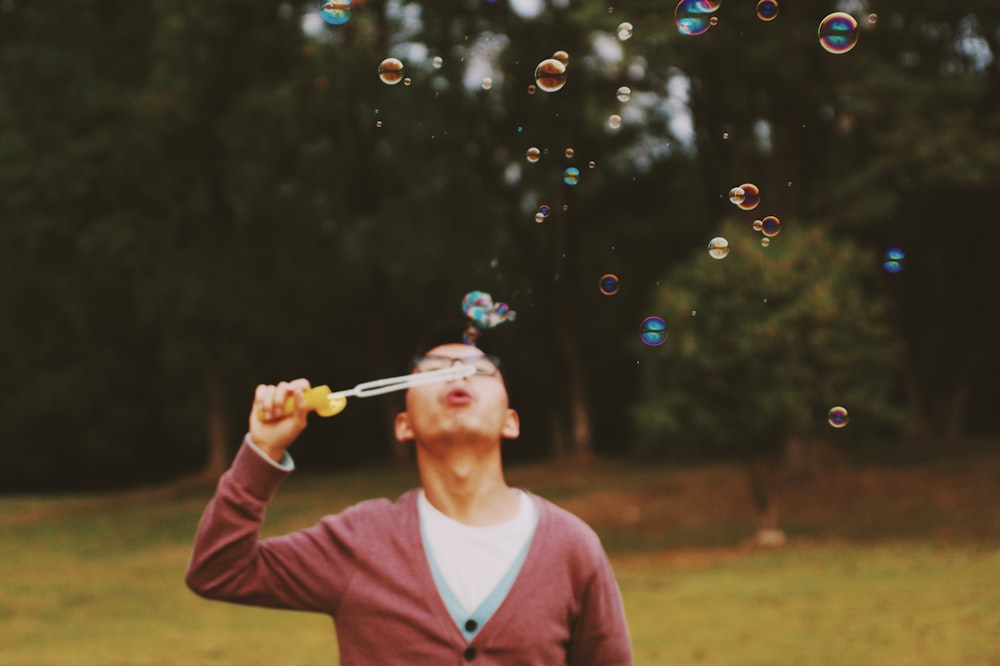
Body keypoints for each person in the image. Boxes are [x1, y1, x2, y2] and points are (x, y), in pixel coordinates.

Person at [185, 331, 634, 665]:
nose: (459, 374)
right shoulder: (361, 541)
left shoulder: (572, 547)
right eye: (435, 371)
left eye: (479, 370)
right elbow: (218, 572)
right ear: (404, 426)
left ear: (511, 422)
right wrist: (262, 452)